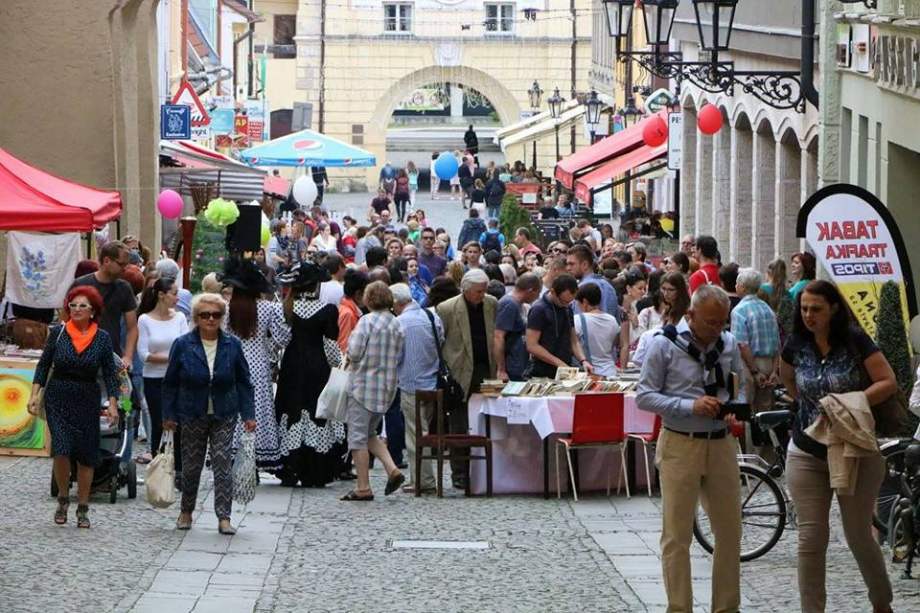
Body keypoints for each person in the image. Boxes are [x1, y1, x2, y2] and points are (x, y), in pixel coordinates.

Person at [779, 280, 895, 613]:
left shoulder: (855, 340)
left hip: (852, 447)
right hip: (806, 448)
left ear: (833, 308)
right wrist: (809, 406)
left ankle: (881, 602)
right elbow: (787, 377)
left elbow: (887, 382)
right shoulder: (796, 344)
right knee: (810, 537)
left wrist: (849, 402)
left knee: (858, 534)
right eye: (804, 309)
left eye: (816, 309)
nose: (808, 315)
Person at [636, 284, 744, 612]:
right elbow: (644, 395)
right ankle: (679, 608)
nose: (717, 329)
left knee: (729, 533)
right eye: (710, 322)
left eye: (722, 322)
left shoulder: (728, 345)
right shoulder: (664, 344)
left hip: (721, 443)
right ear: (691, 314)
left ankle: (726, 607)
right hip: (680, 442)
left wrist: (735, 408)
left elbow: (738, 387)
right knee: (676, 535)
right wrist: (689, 406)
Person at [163, 293, 255, 535]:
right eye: (205, 315)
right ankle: (186, 511)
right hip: (192, 411)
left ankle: (224, 517)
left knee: (223, 464)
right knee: (192, 466)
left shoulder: (232, 344)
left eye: (216, 315)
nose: (211, 319)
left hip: (225, 412)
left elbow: (244, 381)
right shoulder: (183, 344)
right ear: (196, 318)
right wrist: (169, 414)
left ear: (223, 318)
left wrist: (248, 414)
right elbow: (170, 382)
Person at [29, 287, 118, 528]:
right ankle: (62, 499)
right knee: (61, 448)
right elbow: (43, 365)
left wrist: (113, 404)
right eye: (73, 305)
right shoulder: (58, 333)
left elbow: (111, 375)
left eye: (82, 306)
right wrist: (34, 394)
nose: (76, 309)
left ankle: (83, 506)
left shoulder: (102, 338)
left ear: (93, 311)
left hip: (87, 397)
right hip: (58, 394)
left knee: (86, 455)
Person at [274, 262, 347, 487]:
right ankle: (314, 470)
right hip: (318, 368)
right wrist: (340, 366)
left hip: (292, 366)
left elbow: (281, 339)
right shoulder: (328, 309)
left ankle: (290, 466)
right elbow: (330, 344)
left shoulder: (286, 308)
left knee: (292, 411)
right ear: (316, 286)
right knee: (316, 413)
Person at [222, 259, 291, 471]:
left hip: (232, 363)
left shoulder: (226, 308)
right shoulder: (269, 308)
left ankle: (231, 453)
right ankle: (256, 454)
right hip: (258, 365)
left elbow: (221, 337)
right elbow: (282, 337)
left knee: (231, 410)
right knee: (258, 410)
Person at [341, 281, 406, 500]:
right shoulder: (397, 324)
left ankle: (363, 487)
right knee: (370, 434)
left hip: (363, 387)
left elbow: (355, 352)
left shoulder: (366, 322)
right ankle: (392, 469)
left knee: (357, 438)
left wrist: (349, 354)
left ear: (368, 299)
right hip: (386, 388)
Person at [436, 270, 497, 489]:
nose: (482, 295)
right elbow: (441, 341)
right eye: (478, 291)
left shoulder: (491, 303)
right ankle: (459, 473)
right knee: (459, 424)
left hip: (486, 368)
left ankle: (486, 469)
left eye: (484, 291)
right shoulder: (447, 308)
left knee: (488, 420)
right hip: (460, 371)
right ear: (466, 289)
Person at [391, 283, 442, 494]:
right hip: (433, 382)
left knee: (414, 434)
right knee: (425, 432)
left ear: (397, 303)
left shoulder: (399, 323)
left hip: (411, 384)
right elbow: (441, 341)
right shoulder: (431, 317)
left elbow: (396, 355)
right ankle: (423, 477)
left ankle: (424, 480)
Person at [137, 277, 189, 477]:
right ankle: (158, 466)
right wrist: (172, 359)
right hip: (154, 378)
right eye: (174, 293)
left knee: (179, 422)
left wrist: (170, 360)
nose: (177, 297)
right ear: (161, 295)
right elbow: (144, 355)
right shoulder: (145, 319)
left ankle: (179, 469)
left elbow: (185, 348)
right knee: (160, 420)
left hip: (177, 379)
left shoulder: (180, 318)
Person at [71, 241, 138, 369]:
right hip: (81, 357)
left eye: (126, 265)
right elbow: (65, 320)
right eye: (121, 264)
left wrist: (128, 356)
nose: (125, 269)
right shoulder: (81, 284)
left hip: (111, 358)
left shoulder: (124, 288)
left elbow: (132, 327)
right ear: (107, 260)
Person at [731, 268, 780, 416]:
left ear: (743, 287)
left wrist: (754, 371)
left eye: (737, 284)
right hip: (769, 363)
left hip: (749, 364)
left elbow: (742, 344)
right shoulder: (768, 309)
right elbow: (777, 342)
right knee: (765, 413)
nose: (735, 286)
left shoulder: (739, 311)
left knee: (746, 411)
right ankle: (764, 440)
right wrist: (774, 371)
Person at [526, 274, 594, 378]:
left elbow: (573, 340)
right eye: (564, 301)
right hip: (542, 371)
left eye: (570, 302)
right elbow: (532, 346)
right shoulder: (539, 310)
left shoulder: (567, 309)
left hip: (565, 368)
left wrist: (583, 360)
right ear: (553, 292)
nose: (567, 305)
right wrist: (559, 363)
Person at [494, 273, 541, 382]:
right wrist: (501, 370)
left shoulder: (518, 304)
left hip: (518, 364)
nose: (537, 297)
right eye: (537, 293)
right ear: (530, 290)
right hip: (511, 367)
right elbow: (498, 336)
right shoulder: (509, 304)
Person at [573, 283, 621, 378]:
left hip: (591, 373)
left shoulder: (577, 320)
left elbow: (573, 343)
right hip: (611, 372)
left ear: (585, 302)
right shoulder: (612, 320)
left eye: (578, 304)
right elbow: (615, 344)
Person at [565, 244, 622, 322]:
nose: (568, 268)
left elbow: (578, 325)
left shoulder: (581, 289)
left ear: (585, 265)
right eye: (567, 264)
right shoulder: (608, 286)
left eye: (571, 264)